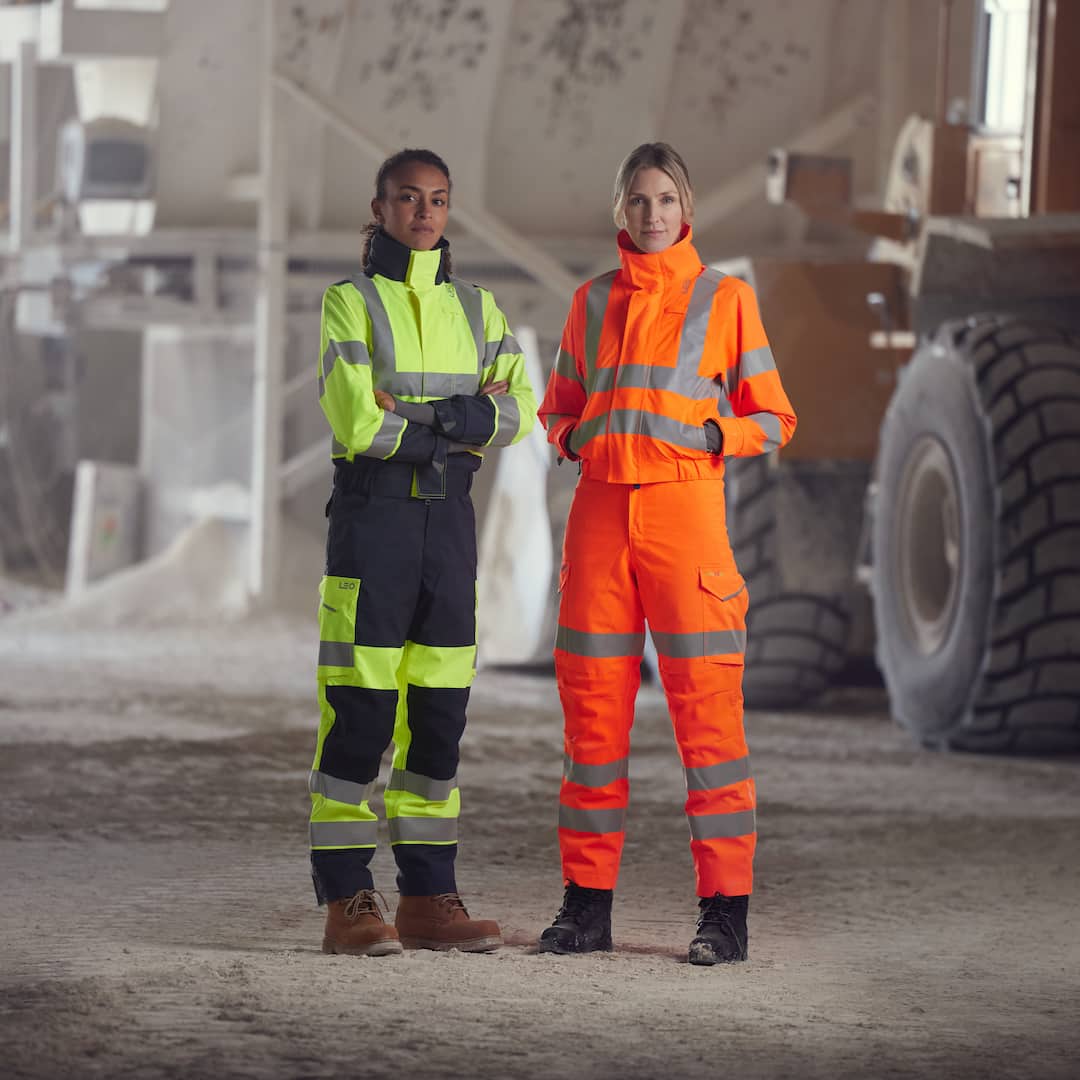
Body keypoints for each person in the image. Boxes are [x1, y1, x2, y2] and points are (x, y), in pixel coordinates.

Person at [536, 142, 796, 964]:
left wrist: (720, 431)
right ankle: (585, 909)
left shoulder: (727, 300)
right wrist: (575, 437)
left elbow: (777, 417)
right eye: (639, 200)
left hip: (686, 519)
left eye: (667, 200)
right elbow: (557, 411)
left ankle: (725, 915)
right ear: (622, 210)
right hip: (602, 518)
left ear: (688, 210)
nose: (653, 214)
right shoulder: (589, 301)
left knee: (709, 720)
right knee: (592, 724)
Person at [308, 148, 537, 957]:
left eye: (438, 200)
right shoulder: (349, 303)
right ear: (379, 209)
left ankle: (428, 898)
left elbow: (520, 413)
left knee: (439, 721)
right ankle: (347, 902)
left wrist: (419, 416)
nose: (425, 213)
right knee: (360, 717)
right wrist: (460, 419)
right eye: (409, 199)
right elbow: (357, 423)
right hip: (373, 532)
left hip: (449, 531)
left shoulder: (478, 309)